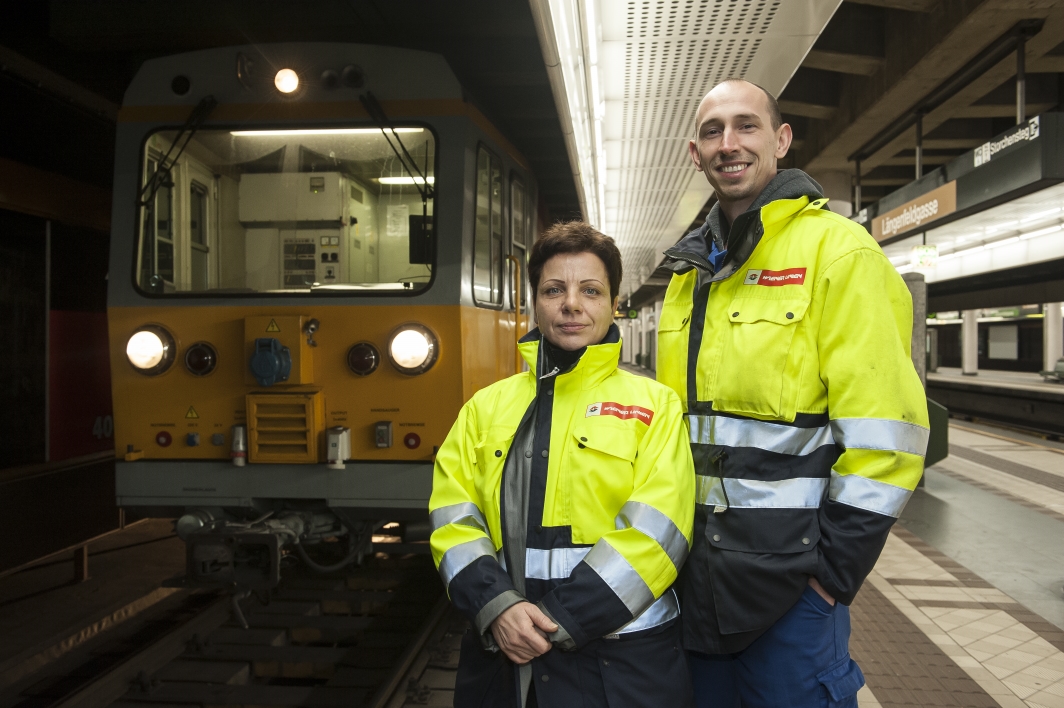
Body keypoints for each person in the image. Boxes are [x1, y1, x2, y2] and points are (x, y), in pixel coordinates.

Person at [656, 78, 929, 707]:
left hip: (791, 591)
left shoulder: (838, 252)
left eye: (746, 125)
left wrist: (830, 577)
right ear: (694, 155)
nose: (730, 143)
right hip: (694, 581)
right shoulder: (688, 275)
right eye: (712, 130)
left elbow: (889, 438)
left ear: (780, 140)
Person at [429, 222, 695, 708]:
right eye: (555, 289)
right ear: (535, 301)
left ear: (613, 302)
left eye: (590, 290)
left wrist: (556, 621)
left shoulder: (655, 405)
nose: (571, 303)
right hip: (504, 661)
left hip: (621, 663)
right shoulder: (483, 409)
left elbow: (660, 532)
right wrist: (499, 608)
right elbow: (453, 523)